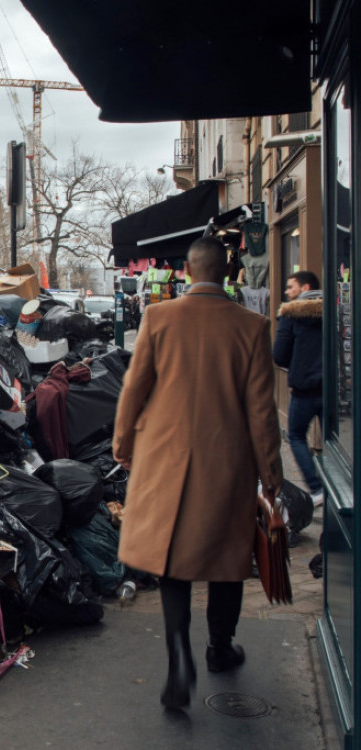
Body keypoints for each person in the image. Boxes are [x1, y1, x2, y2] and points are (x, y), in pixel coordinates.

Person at [112, 237, 283, 710]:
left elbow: (134, 389)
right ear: (228, 273)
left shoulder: (159, 319)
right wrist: (271, 474)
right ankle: (219, 648)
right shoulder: (252, 327)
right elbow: (262, 411)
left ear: (187, 271)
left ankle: (178, 658)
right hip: (227, 464)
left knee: (172, 565)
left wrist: (123, 444)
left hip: (166, 461)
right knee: (226, 562)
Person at [273, 270, 324, 507]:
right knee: (331, 440)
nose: (286, 292)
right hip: (331, 390)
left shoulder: (291, 315)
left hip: (303, 389)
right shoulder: (333, 312)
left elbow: (279, 355)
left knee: (295, 436)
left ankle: (316, 487)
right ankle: (334, 486)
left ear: (305, 289)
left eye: (290, 287)